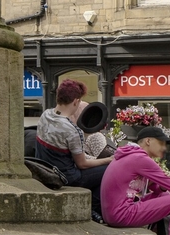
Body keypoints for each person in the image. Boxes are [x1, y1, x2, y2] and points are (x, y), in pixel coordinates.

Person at [101, 126, 170, 235]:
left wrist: (160, 184)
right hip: (122, 213)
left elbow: (157, 189)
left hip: (114, 213)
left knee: (163, 194)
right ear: (148, 141)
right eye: (161, 143)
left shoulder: (132, 156)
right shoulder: (140, 159)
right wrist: (165, 180)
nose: (164, 148)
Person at [36, 79, 113, 221]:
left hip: (44, 171)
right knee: (110, 170)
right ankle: (93, 209)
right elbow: (82, 164)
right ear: (76, 101)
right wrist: (109, 160)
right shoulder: (72, 130)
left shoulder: (45, 116)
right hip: (66, 177)